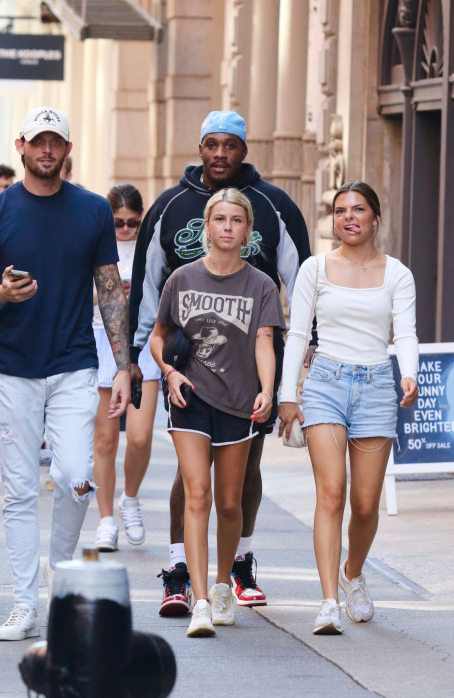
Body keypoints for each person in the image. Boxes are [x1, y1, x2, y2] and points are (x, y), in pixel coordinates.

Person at [0, 106, 131, 641]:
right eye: (39, 141)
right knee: (17, 492)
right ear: (21, 145)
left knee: (79, 477)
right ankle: (25, 603)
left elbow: (109, 290)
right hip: (9, 369)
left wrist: (124, 367)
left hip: (75, 365)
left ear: (68, 149)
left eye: (56, 141)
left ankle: (59, 579)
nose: (47, 150)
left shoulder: (93, 211)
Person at [130, 110, 312, 615]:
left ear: (243, 150)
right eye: (211, 144)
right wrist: (143, 361)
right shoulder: (168, 206)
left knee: (243, 470)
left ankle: (238, 564)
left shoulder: (275, 206)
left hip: (254, 360)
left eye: (229, 145)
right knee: (191, 479)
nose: (219, 154)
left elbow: (302, 285)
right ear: (201, 146)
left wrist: (297, 366)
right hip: (186, 365)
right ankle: (179, 569)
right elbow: (148, 289)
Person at [278, 181, 419, 635]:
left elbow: (407, 334)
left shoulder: (397, 273)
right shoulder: (314, 270)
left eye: (359, 210)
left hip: (377, 384)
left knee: (364, 503)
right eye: (341, 211)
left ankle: (352, 573)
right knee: (332, 493)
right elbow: (297, 334)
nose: (349, 217)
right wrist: (287, 395)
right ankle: (327, 601)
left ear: (376, 219)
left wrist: (410, 373)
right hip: (325, 383)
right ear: (334, 220)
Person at [151, 188, 284, 637]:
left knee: (230, 503)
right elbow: (158, 336)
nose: (227, 227)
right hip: (190, 397)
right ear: (207, 226)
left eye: (236, 221)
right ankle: (202, 601)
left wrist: (268, 390)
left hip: (239, 401)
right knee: (197, 495)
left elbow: (264, 340)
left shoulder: (261, 284)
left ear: (248, 230)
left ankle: (225, 583)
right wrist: (169, 372)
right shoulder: (182, 279)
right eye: (220, 219)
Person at [93, 184, 161, 551]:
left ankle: (129, 499)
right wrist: (111, 292)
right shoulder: (96, 240)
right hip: (101, 337)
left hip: (143, 340)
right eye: (118, 222)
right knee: (104, 439)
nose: (124, 229)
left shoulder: (150, 244)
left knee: (139, 436)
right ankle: (105, 520)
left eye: (132, 222)